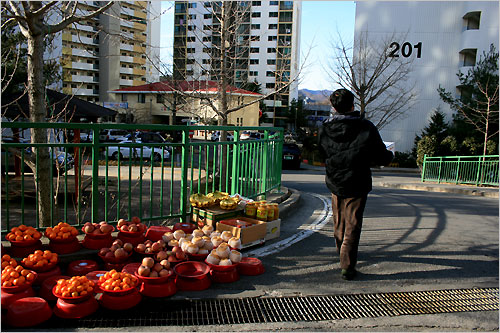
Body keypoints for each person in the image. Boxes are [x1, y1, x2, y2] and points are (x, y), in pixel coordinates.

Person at [319, 88, 393, 280]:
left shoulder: (325, 128)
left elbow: (321, 153)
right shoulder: (365, 127)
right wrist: (390, 155)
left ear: (334, 107)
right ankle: (347, 266)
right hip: (357, 181)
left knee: (339, 221)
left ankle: (341, 252)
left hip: (335, 179)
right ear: (352, 105)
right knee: (352, 223)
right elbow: (381, 156)